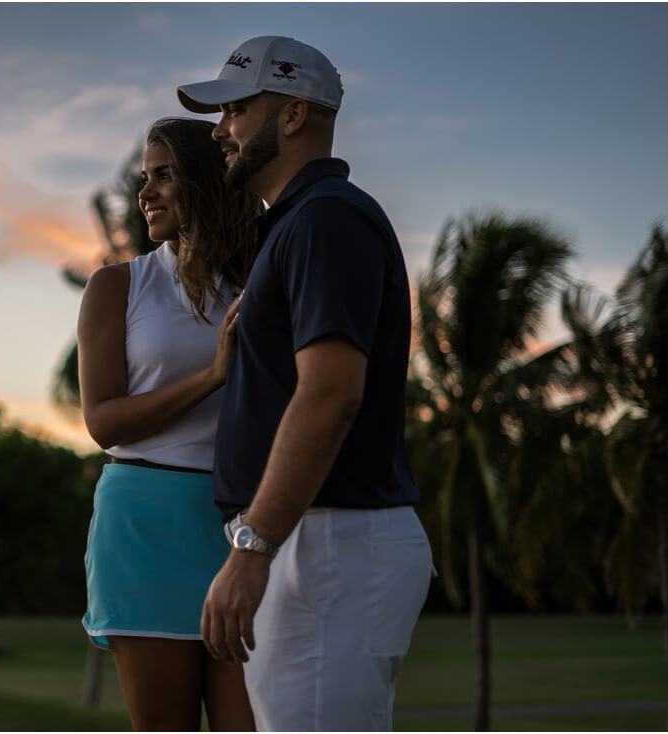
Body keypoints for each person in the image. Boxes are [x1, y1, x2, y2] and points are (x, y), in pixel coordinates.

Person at [176, 36, 434, 731]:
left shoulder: (325, 218)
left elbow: (330, 393)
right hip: (316, 543)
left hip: (327, 544)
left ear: (293, 115)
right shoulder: (298, 224)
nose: (220, 129)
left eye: (234, 109)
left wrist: (252, 550)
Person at [79, 116, 263, 731]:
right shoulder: (117, 286)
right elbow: (102, 421)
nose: (146, 193)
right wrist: (212, 374)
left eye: (166, 176)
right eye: (144, 178)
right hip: (145, 528)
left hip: (240, 526)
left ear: (210, 183)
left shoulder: (261, 281)